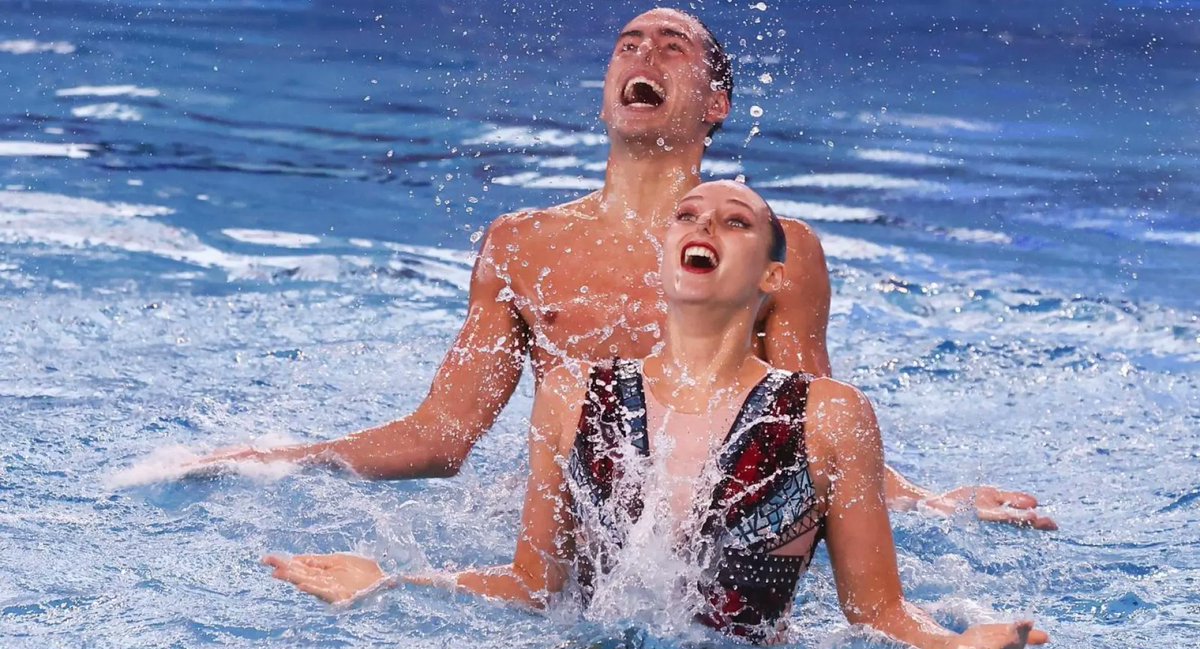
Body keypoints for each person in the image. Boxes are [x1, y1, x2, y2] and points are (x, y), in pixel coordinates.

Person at [198, 8, 1054, 529]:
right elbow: (443, 435)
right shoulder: (521, 244)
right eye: (627, 45)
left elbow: (810, 425)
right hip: (558, 532)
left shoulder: (773, 249)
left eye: (671, 47)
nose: (642, 57)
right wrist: (277, 459)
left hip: (709, 539)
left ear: (716, 104)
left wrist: (931, 503)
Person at [263, 182, 1050, 649]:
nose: (704, 225)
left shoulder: (829, 416)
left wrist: (960, 646)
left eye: (736, 221)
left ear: (773, 275)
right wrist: (393, 582)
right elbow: (534, 587)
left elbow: (876, 613)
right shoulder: (573, 395)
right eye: (688, 215)